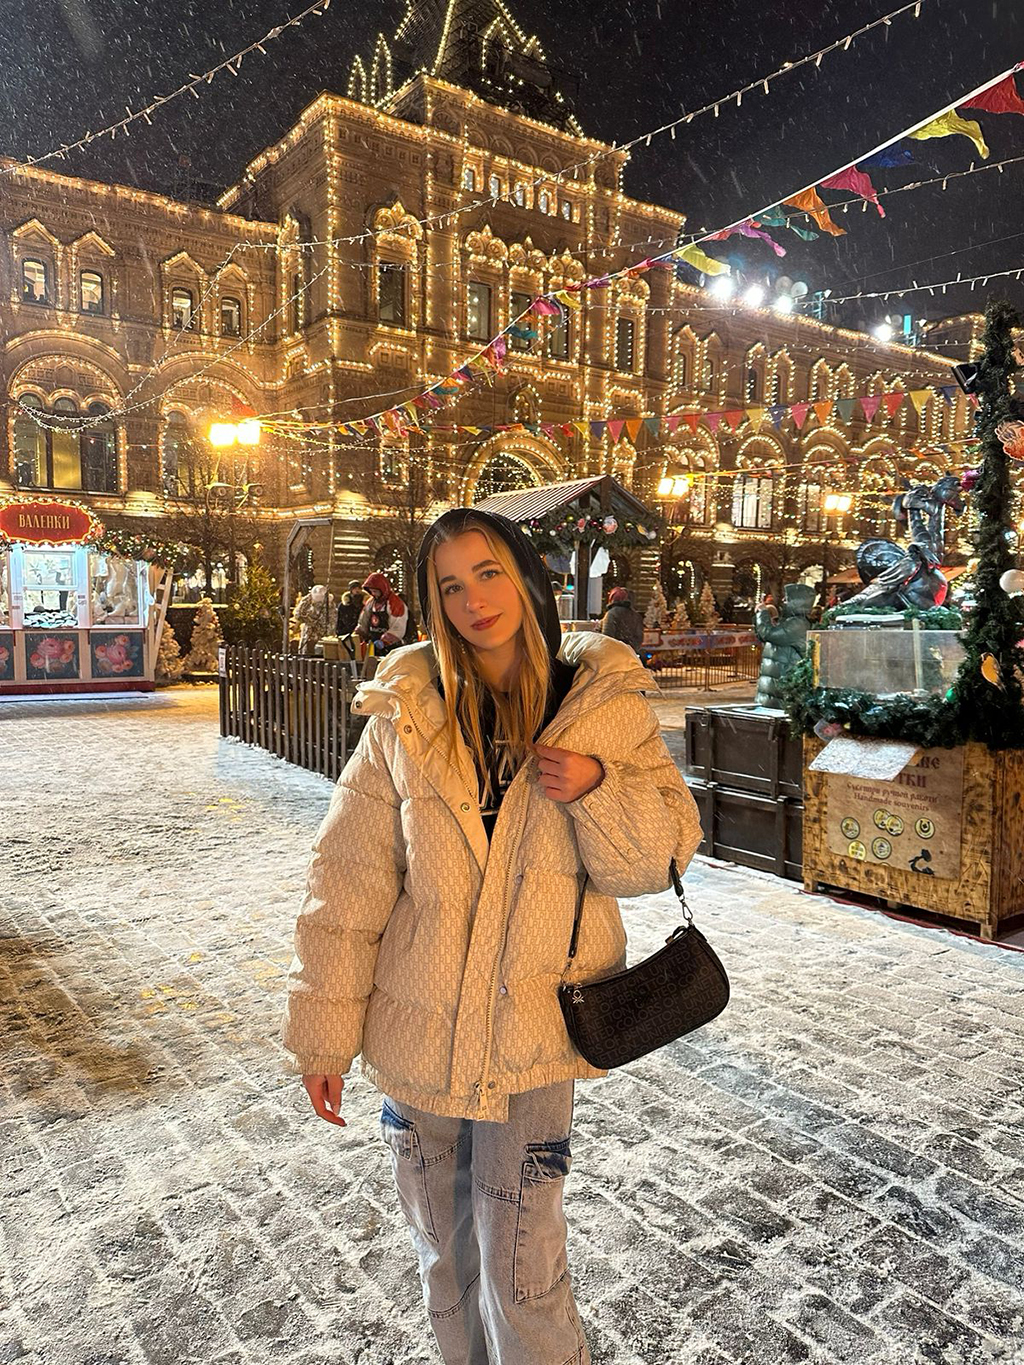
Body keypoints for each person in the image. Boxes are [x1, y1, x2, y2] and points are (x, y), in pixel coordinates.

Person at [283, 507, 702, 1365]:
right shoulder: (406, 713)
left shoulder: (599, 706)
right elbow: (348, 880)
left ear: (525, 577)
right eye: (450, 585)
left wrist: (598, 785)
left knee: (523, 1273)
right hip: (419, 1030)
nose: (473, 599)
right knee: (446, 1262)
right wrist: (322, 1033)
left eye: (488, 573)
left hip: (533, 1037)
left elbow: (660, 855)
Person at [356, 571, 408, 654]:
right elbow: (363, 620)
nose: (373, 594)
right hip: (373, 645)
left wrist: (385, 640)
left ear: (383, 589)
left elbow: (398, 627)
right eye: (371, 591)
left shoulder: (395, 603)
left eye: (375, 591)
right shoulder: (371, 603)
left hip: (392, 648)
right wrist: (358, 634)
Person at [598, 585, 643, 653]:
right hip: (630, 653)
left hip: (615, 652)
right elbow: (639, 637)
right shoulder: (636, 615)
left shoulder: (611, 614)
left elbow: (607, 636)